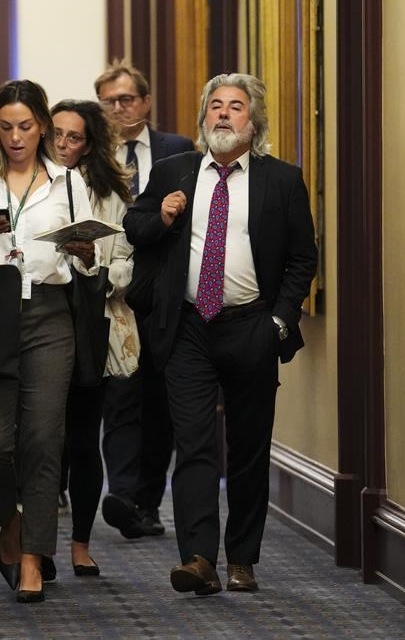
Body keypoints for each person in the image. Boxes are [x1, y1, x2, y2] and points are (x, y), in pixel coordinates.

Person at [123, 73, 317, 595]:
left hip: (251, 326)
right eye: (215, 105)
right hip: (188, 326)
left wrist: (280, 321)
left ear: (254, 122)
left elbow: (302, 257)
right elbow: (134, 228)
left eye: (235, 106)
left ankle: (242, 559)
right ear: (203, 117)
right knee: (194, 445)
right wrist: (162, 217)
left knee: (248, 448)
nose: (224, 114)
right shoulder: (173, 171)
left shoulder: (282, 180)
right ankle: (199, 558)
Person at [0, 79, 98, 603]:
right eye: (6, 127)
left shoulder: (68, 183)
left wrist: (85, 252)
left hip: (50, 317)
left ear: (43, 127)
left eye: (25, 126)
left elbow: (88, 263)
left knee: (43, 439)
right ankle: (11, 523)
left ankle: (32, 558)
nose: (15, 137)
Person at [93, 62, 195, 539]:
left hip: (162, 289)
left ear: (146, 102)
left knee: (159, 403)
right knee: (119, 394)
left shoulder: (177, 149)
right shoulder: (94, 154)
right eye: (109, 102)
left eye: (126, 99)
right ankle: (123, 494)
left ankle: (148, 502)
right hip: (111, 288)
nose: (118, 108)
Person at [51, 99, 137, 577]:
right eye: (57, 135)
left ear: (89, 144)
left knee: (84, 438)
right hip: (38, 315)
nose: (63, 144)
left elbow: (125, 258)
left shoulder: (108, 191)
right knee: (41, 440)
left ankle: (80, 543)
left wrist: (97, 266)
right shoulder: (30, 182)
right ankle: (34, 546)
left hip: (91, 317)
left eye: (74, 137)